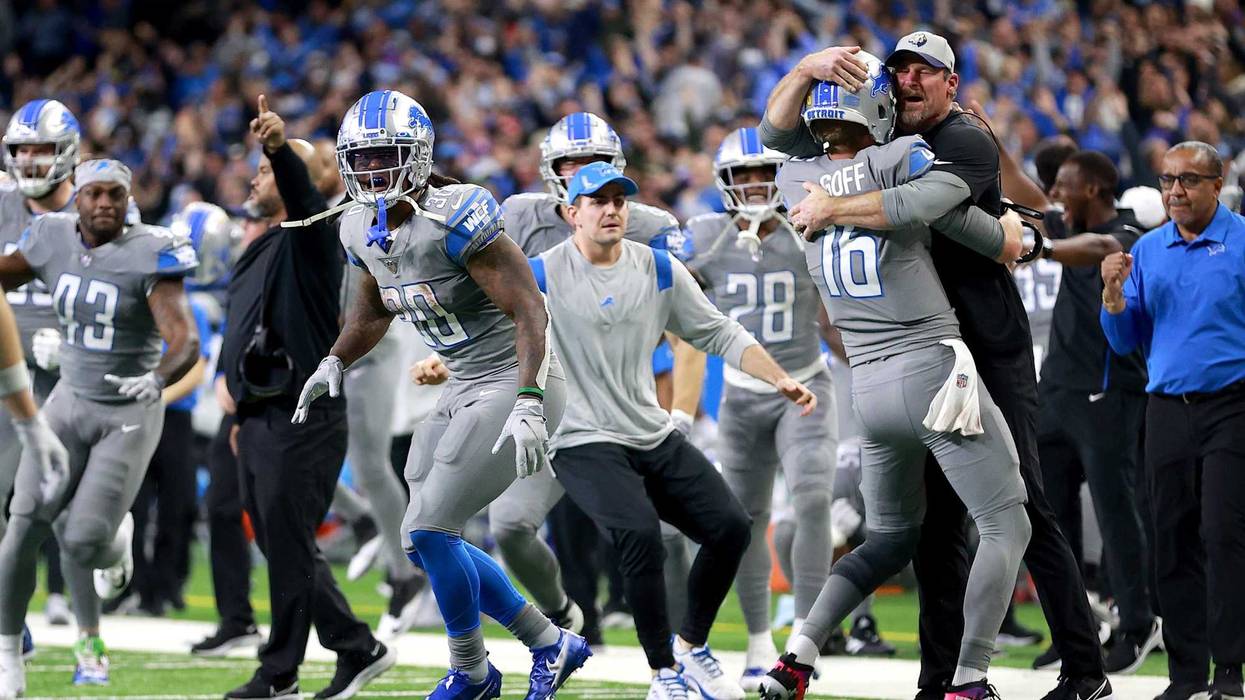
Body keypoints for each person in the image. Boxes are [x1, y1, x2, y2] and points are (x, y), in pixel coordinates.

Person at [760, 34, 1112, 700]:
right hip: (933, 360)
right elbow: (936, 211)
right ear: (882, 101)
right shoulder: (901, 157)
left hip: (897, 371)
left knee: (927, 529)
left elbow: (777, 139)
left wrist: (831, 199)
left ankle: (801, 652)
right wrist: (1017, 238)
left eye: (926, 71)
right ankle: (960, 679)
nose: (910, 82)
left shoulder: (796, 178)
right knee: (985, 523)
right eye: (899, 73)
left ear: (951, 84)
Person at [295, 89, 590, 700]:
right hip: (462, 383)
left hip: (515, 376)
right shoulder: (357, 224)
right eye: (364, 158)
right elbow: (371, 312)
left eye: (386, 156)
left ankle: (471, 670)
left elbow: (530, 311)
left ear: (419, 156)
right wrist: (335, 360)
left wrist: (532, 400)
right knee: (419, 536)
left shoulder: (455, 217)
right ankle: (548, 641)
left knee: (432, 528)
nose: (373, 170)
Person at [525, 159, 816, 700]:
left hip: (649, 431)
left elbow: (719, 333)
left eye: (620, 200)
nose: (612, 210)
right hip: (581, 439)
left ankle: (690, 647)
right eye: (598, 201)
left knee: (732, 526)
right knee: (637, 534)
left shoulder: (658, 269)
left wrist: (781, 379)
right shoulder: (541, 275)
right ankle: (663, 674)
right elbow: (503, 337)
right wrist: (444, 367)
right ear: (571, 213)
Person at [0, 159, 200, 696]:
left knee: (84, 539)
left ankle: (116, 541)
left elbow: (184, 340)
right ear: (78, 197)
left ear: (128, 197)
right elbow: (5, 272)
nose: (104, 202)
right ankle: (7, 658)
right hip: (68, 399)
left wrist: (157, 379)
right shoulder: (49, 237)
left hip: (127, 413)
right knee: (22, 527)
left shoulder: (149, 251)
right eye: (94, 193)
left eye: (114, 193)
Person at [217, 96, 392, 700]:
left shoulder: (315, 235)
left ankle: (281, 672)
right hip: (262, 413)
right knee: (277, 541)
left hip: (304, 412)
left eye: (266, 170)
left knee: (289, 540)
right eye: (262, 167)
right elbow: (244, 330)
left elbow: (303, 194)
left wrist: (278, 148)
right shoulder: (263, 245)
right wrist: (239, 405)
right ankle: (352, 647)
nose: (257, 176)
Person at [496, 111, 683, 644]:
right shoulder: (521, 216)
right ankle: (567, 617)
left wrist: (677, 409)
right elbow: (492, 303)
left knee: (662, 527)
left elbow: (687, 327)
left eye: (595, 164)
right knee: (514, 524)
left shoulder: (648, 227)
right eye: (571, 163)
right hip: (551, 396)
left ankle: (681, 645)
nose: (582, 172)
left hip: (623, 401)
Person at [675, 126, 841, 688]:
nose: (753, 184)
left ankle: (806, 643)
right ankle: (757, 641)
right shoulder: (705, 236)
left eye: (763, 172)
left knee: (814, 497)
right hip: (742, 402)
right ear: (723, 182)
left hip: (807, 387)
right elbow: (669, 302)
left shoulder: (809, 231)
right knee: (746, 522)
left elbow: (835, 313)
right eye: (741, 174)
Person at [1101, 141, 1245, 700]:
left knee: (1224, 534)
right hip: (1165, 411)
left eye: (1187, 180)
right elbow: (1124, 340)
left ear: (1218, 182)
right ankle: (1185, 675)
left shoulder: (1241, 241)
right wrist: (1113, 295)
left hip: (1233, 407)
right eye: (1167, 181)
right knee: (1171, 540)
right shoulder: (1150, 250)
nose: (1175, 192)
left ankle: (1230, 670)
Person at [1031, 151, 1158, 673]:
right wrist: (992, 145)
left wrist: (1044, 246)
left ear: (1095, 190)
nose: (1055, 193)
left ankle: (1137, 622)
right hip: (1055, 391)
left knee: (1115, 513)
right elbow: (1032, 197)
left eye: (1064, 184)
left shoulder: (1126, 235)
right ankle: (1073, 630)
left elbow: (1097, 248)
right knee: (1047, 520)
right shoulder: (1069, 220)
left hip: (1108, 393)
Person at [0, 97, 103, 666]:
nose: (32, 159)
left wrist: (76, 348)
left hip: (76, 380)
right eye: (23, 148)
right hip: (12, 376)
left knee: (74, 521)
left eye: (42, 148)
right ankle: (12, 625)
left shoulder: (100, 208)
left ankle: (90, 642)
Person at [191, 212, 266, 658]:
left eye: (253, 222)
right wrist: (224, 374)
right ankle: (236, 619)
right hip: (236, 402)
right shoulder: (246, 270)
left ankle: (325, 622)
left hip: (273, 400)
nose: (244, 230)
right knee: (221, 506)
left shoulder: (283, 260)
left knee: (279, 517)